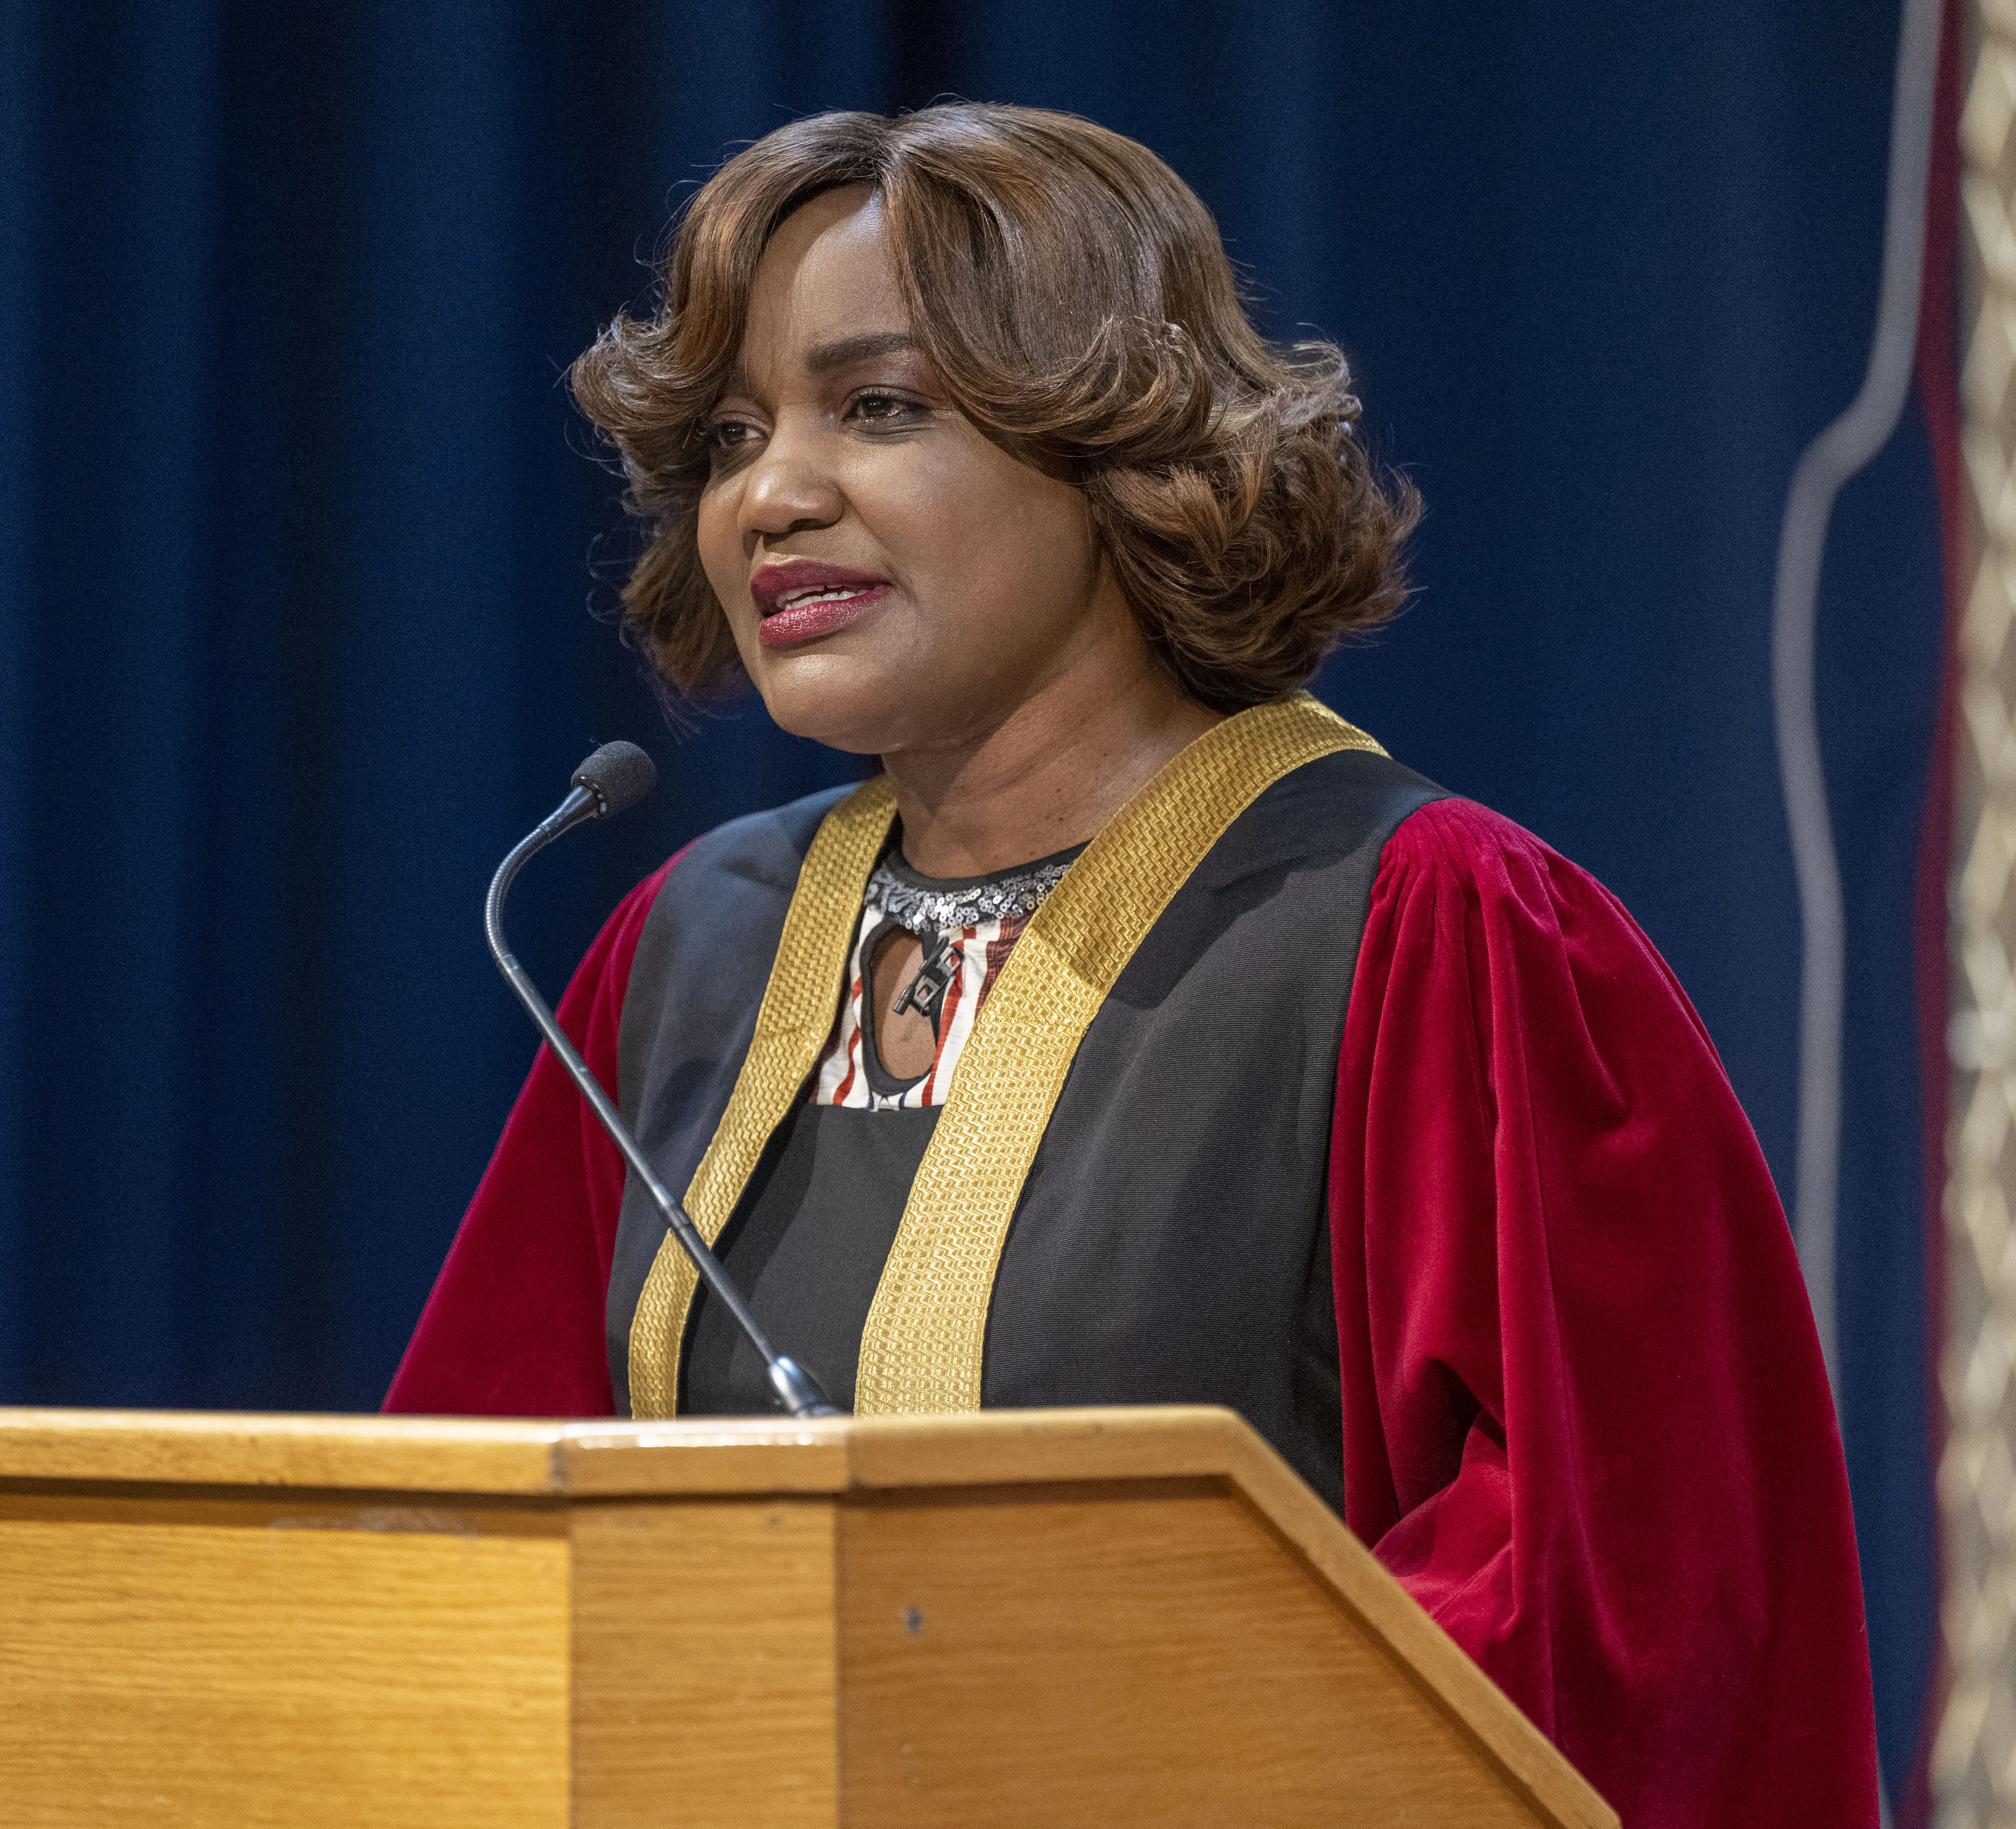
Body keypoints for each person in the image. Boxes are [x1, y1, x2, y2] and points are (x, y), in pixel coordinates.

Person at [385, 104, 1874, 1827]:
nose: (771, 495)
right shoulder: (692, 948)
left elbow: (1599, 1630)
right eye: (730, 435)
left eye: (879, 407)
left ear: (1118, 439)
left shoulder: (1423, 929)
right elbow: (458, 1549)